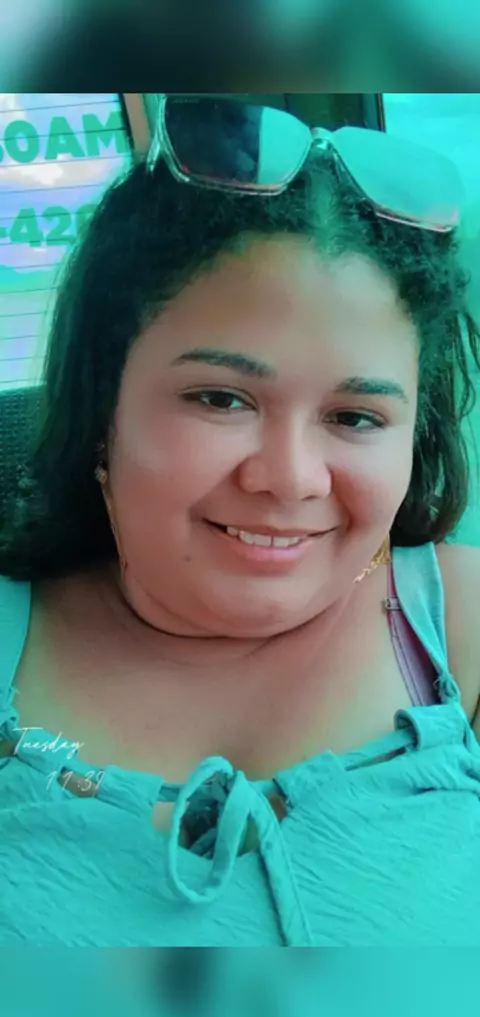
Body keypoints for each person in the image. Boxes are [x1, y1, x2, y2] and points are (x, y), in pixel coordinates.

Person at [1, 97, 480, 948]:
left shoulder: (465, 636)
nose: (290, 479)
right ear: (104, 406)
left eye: (356, 417)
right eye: (221, 399)